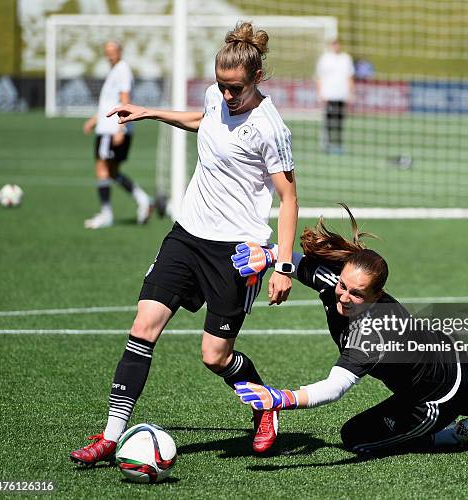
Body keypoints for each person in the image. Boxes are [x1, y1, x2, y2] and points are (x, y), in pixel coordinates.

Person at [70, 22, 299, 465]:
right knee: (143, 327)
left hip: (236, 251)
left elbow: (289, 199)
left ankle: (264, 403)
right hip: (186, 236)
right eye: (221, 86)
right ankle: (111, 437)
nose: (228, 95)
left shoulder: (271, 128)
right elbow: (204, 119)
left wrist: (284, 265)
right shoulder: (218, 98)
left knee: (214, 356)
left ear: (256, 80)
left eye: (236, 88)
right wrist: (151, 112)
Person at [233, 206, 468, 455]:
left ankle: (446, 435)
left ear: (376, 296)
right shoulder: (335, 283)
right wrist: (267, 257)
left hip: (435, 395)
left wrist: (282, 398)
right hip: (444, 354)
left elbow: (334, 388)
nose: (344, 296)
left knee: (355, 438)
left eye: (357, 294)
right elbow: (297, 263)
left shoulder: (373, 331)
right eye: (343, 285)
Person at [83, 41, 151, 229]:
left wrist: (121, 129)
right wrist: (94, 119)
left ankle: (106, 214)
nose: (109, 55)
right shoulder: (116, 70)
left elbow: (124, 100)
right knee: (111, 172)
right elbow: (110, 104)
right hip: (108, 127)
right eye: (107, 52)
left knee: (102, 168)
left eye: (113, 51)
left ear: (120, 52)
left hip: (112, 130)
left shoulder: (122, 70)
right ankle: (144, 200)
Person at [315, 39, 355, 154]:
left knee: (339, 122)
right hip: (328, 95)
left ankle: (338, 145)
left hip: (341, 95)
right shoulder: (325, 59)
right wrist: (320, 93)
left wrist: (351, 92)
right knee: (328, 121)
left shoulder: (346, 58)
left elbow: (350, 76)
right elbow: (319, 77)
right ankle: (326, 145)